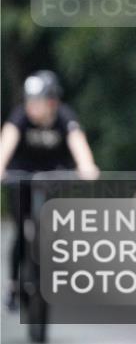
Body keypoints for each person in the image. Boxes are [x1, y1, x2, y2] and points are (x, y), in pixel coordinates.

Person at [0, 70, 100, 310]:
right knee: (21, 234)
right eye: (29, 101)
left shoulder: (65, 117)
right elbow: (7, 141)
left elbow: (78, 143)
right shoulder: (20, 116)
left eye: (38, 101)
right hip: (21, 177)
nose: (32, 107)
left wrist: (87, 167)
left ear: (53, 101)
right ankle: (14, 285)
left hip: (53, 178)